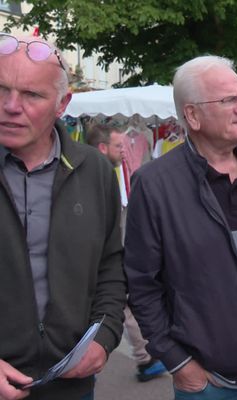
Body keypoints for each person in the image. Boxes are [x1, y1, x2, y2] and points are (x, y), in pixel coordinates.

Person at [124, 55, 237, 400]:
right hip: (209, 381)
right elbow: (142, 284)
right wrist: (177, 362)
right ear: (192, 115)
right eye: (229, 101)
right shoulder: (154, 185)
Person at [0, 33, 126, 399]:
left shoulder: (95, 171)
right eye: (2, 89)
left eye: (31, 95)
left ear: (62, 103)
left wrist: (104, 337)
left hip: (71, 383)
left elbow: (110, 266)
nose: (10, 106)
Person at [86, 124, 167, 383]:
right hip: (98, 261)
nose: (124, 151)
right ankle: (144, 358)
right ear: (102, 148)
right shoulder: (91, 178)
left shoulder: (107, 173)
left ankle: (145, 358)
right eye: (118, 146)